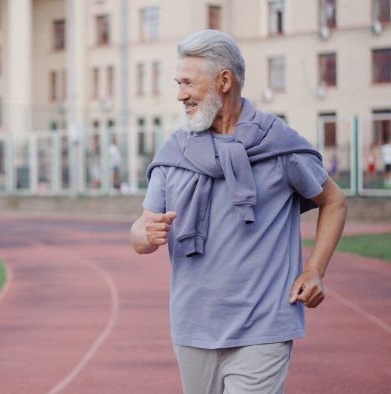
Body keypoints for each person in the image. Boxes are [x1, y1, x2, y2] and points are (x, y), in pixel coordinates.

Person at [130, 30, 347, 394]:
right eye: (177, 83)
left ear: (224, 81)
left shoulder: (278, 146)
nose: (179, 94)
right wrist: (145, 234)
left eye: (187, 83)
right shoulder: (174, 152)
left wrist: (314, 269)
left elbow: (334, 201)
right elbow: (139, 230)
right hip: (193, 326)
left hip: (264, 326)